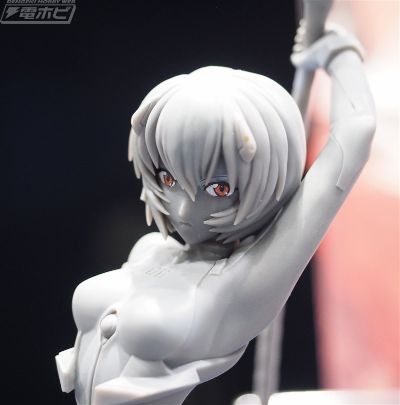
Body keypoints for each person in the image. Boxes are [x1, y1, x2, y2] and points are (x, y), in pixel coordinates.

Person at [56, 25, 375, 405]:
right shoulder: (152, 250)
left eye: (219, 190)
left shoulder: (247, 281)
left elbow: (356, 133)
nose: (183, 209)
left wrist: (338, 50)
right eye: (168, 178)